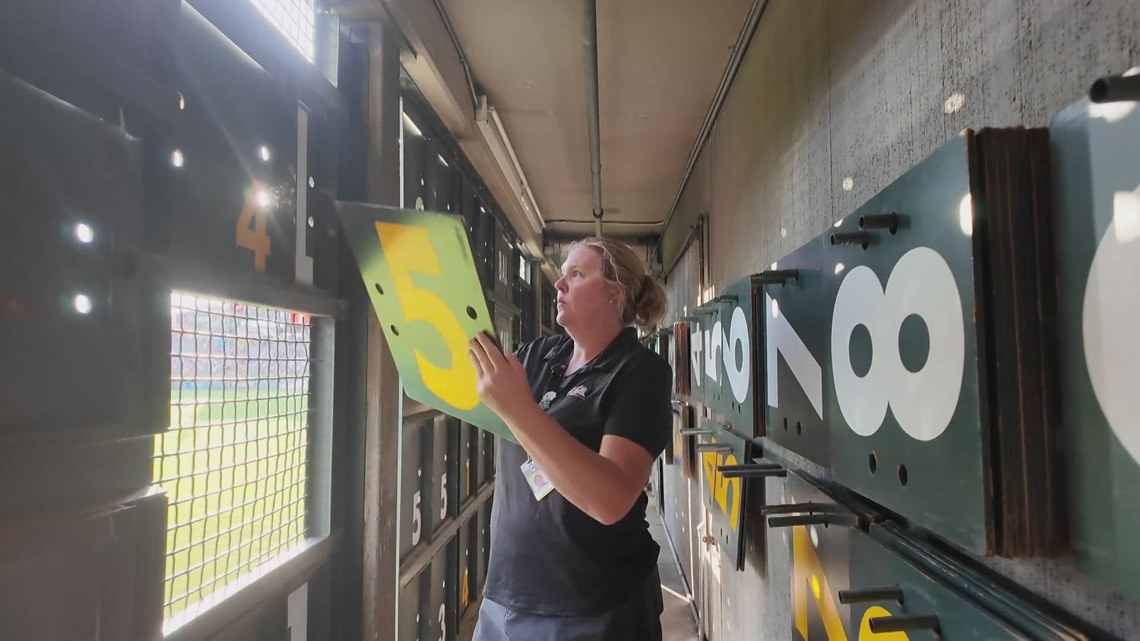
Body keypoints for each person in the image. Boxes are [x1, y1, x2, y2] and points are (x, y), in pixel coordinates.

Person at [466, 237, 673, 641]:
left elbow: (610, 499)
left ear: (615, 294)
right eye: (562, 275)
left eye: (575, 275)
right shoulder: (540, 354)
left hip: (591, 606)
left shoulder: (639, 372)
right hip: (506, 593)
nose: (559, 285)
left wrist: (518, 408)